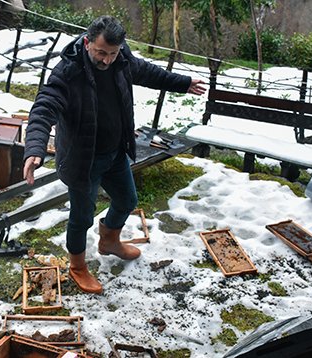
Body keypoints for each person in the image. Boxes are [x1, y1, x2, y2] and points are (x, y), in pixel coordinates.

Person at [23, 15, 206, 294]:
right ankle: (78, 267)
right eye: (101, 53)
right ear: (87, 43)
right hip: (83, 159)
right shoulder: (68, 72)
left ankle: (109, 241)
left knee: (126, 199)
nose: (107, 60)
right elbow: (44, 107)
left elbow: (148, 72)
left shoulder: (122, 60)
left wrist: (183, 83)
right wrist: (35, 147)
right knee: (81, 217)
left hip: (115, 150)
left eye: (112, 53)